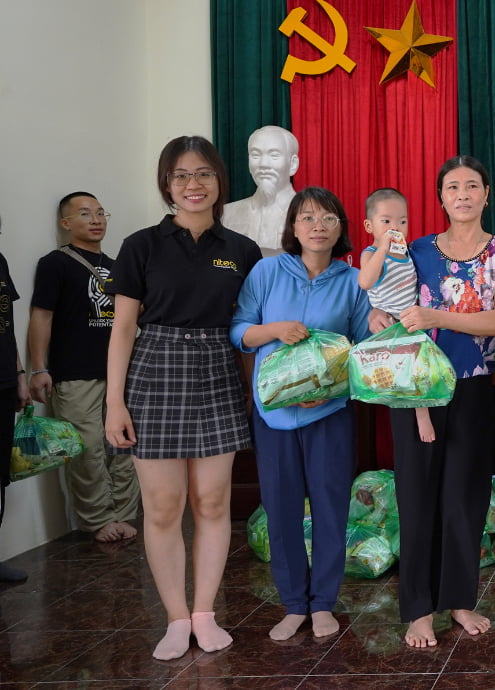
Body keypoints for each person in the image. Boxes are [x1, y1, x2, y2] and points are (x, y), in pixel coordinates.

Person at [104, 136, 262, 660]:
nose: (193, 185)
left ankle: (204, 612)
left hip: (218, 369)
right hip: (156, 370)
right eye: (180, 176)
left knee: (214, 502)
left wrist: (253, 388)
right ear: (167, 184)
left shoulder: (241, 250)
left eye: (203, 174)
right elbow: (123, 328)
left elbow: (245, 329)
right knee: (165, 506)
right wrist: (115, 402)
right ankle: (175, 617)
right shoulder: (140, 245)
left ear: (219, 181)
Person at [375, 155, 495, 648]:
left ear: (486, 194)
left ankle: (459, 599)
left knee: (465, 497)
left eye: (472, 186)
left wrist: (437, 314)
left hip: (474, 385)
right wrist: (378, 313)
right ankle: (418, 608)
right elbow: (386, 294)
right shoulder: (415, 248)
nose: (462, 194)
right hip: (415, 388)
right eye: (452, 187)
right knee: (416, 495)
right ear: (440, 197)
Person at [230, 186, 371, 641]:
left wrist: (333, 391)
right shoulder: (267, 272)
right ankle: (293, 603)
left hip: (329, 414)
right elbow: (239, 332)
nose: (317, 226)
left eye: (328, 219)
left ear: (340, 229)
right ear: (293, 227)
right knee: (281, 508)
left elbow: (363, 351)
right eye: (307, 218)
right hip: (274, 416)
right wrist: (273, 329)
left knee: (331, 507)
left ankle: (324, 602)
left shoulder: (353, 282)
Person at [28, 192, 139, 543]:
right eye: (85, 213)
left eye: (100, 213)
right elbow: (41, 317)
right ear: (66, 223)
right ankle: (97, 519)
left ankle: (124, 515)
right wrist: (38, 368)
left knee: (125, 447)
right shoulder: (55, 263)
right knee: (87, 449)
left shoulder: (119, 263)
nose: (96, 220)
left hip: (121, 371)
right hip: (74, 372)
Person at [356, 187, 434, 443]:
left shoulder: (406, 253)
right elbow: (365, 282)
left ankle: (422, 411)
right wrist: (381, 248)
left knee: (421, 369)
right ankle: (422, 417)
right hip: (390, 323)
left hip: (410, 319)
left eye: (402, 221)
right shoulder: (370, 254)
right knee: (409, 370)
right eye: (386, 221)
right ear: (369, 225)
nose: (395, 227)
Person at [0, 241, 33, 583]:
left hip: (5, 381)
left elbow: (6, 324)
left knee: (1, 474)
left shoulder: (0, 260)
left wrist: (20, 374)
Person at [223, 125, 300, 255]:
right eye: (255, 155)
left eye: (274, 156)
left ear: (293, 164)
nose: (263, 164)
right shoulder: (227, 214)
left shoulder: (311, 214)